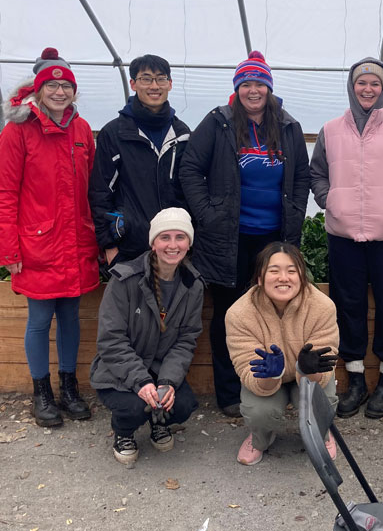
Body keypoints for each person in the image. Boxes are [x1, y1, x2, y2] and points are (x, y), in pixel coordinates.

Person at [179, 51, 310, 417]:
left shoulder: (287, 126)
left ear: (269, 89)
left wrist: (295, 215)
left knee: (273, 312)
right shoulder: (219, 122)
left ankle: (269, 387)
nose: (253, 91)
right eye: (246, 84)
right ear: (237, 89)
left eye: (260, 84)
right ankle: (230, 393)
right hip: (228, 239)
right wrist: (206, 214)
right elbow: (190, 168)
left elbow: (301, 177)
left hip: (273, 240)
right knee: (229, 314)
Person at [309, 58, 383, 419]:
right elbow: (316, 173)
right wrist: (330, 199)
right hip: (343, 233)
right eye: (362, 83)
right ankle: (357, 380)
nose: (368, 89)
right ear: (352, 85)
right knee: (348, 304)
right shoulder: (331, 130)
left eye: (375, 84)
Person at [0, 47, 98, 427]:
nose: (59, 91)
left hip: (75, 241)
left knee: (71, 317)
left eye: (66, 85)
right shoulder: (18, 131)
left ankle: (68, 387)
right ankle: (42, 393)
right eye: (51, 85)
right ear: (38, 90)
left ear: (74, 91)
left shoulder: (82, 130)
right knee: (39, 319)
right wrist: (9, 248)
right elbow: (5, 194)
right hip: (37, 243)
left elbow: (91, 190)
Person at [90, 208, 203, 465]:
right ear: (153, 242)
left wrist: (168, 381)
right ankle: (124, 432)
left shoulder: (193, 284)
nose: (172, 245)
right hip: (120, 371)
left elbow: (186, 340)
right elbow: (111, 340)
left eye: (180, 237)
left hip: (161, 368)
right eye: (165, 237)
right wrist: (142, 382)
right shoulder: (125, 280)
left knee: (183, 405)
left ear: (189, 243)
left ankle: (159, 422)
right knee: (132, 408)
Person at [225, 242, 339, 465]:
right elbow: (248, 372)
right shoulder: (238, 314)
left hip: (306, 378)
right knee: (259, 411)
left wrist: (308, 370)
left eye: (292, 271)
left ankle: (322, 434)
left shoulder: (322, 307)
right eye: (274, 271)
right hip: (267, 382)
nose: (283, 278)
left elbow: (325, 369)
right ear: (259, 278)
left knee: (320, 402)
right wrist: (270, 374)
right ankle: (259, 439)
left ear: (302, 277)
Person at [89, 54, 191, 269]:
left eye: (161, 79)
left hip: (172, 245)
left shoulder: (182, 134)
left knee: (172, 302)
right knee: (131, 303)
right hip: (129, 245)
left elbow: (191, 188)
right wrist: (109, 245)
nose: (154, 86)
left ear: (170, 84)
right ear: (133, 84)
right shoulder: (114, 133)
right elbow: (100, 192)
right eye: (146, 79)